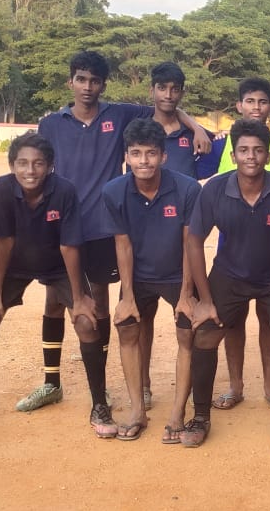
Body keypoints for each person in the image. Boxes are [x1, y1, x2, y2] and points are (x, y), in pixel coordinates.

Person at [28, 51, 209, 428]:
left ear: (103, 85)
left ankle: (107, 392)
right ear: (70, 82)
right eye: (81, 79)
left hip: (103, 226)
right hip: (65, 225)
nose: (87, 87)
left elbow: (165, 108)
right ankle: (51, 382)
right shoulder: (51, 123)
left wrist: (196, 127)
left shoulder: (120, 114)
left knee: (100, 304)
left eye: (94, 81)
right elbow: (39, 167)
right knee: (55, 299)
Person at [0, 133, 103, 440]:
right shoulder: (1, 189)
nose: (30, 170)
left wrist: (80, 298)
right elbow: (5, 240)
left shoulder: (64, 191)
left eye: (38, 163)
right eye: (23, 163)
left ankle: (100, 406)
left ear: (50, 166)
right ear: (12, 165)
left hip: (59, 265)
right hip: (15, 265)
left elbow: (69, 246)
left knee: (85, 321)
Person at [183, 119, 270, 451]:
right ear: (233, 154)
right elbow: (194, 240)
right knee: (205, 332)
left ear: (268, 156)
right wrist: (205, 300)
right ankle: (200, 417)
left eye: (257, 151)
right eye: (243, 150)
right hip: (231, 274)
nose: (250, 157)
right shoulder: (214, 190)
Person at [196, 77, 270, 413]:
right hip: (232, 256)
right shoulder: (221, 148)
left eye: (262, 101)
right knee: (228, 323)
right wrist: (197, 129)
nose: (251, 156)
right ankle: (234, 387)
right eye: (250, 100)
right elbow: (195, 178)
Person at [102, 119, 202, 443]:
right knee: (127, 326)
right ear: (126, 156)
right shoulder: (114, 192)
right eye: (136, 153)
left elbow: (190, 243)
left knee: (188, 330)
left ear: (163, 156)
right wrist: (127, 297)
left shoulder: (188, 189)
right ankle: (137, 410)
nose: (143, 161)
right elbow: (123, 245)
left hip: (177, 273)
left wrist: (186, 294)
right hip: (139, 275)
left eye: (151, 153)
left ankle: (177, 413)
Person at [134, 61, 209, 412]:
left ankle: (188, 390)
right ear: (151, 90)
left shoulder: (195, 138)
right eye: (162, 88)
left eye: (174, 89)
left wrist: (196, 127)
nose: (168, 94)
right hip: (143, 241)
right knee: (141, 319)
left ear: (182, 92)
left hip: (183, 244)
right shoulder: (138, 127)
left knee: (187, 319)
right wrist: (194, 121)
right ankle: (144, 385)